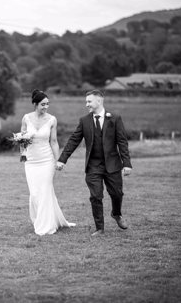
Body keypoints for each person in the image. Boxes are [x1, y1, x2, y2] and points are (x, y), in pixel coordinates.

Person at [56, 90, 132, 236]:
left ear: (99, 101)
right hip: (93, 166)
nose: (87, 105)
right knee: (96, 196)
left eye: (89, 101)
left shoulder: (115, 118)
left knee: (117, 193)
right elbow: (73, 141)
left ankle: (116, 214)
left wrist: (126, 163)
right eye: (86, 102)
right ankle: (100, 228)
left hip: (113, 164)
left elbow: (122, 142)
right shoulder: (84, 121)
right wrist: (62, 159)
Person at [21, 89, 76, 236]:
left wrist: (58, 160)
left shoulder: (52, 119)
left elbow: (54, 141)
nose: (46, 107)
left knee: (45, 191)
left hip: (47, 161)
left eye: (47, 104)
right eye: (42, 104)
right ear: (35, 104)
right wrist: (23, 153)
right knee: (34, 193)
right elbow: (22, 139)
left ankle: (45, 226)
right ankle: (39, 219)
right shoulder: (26, 118)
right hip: (31, 162)